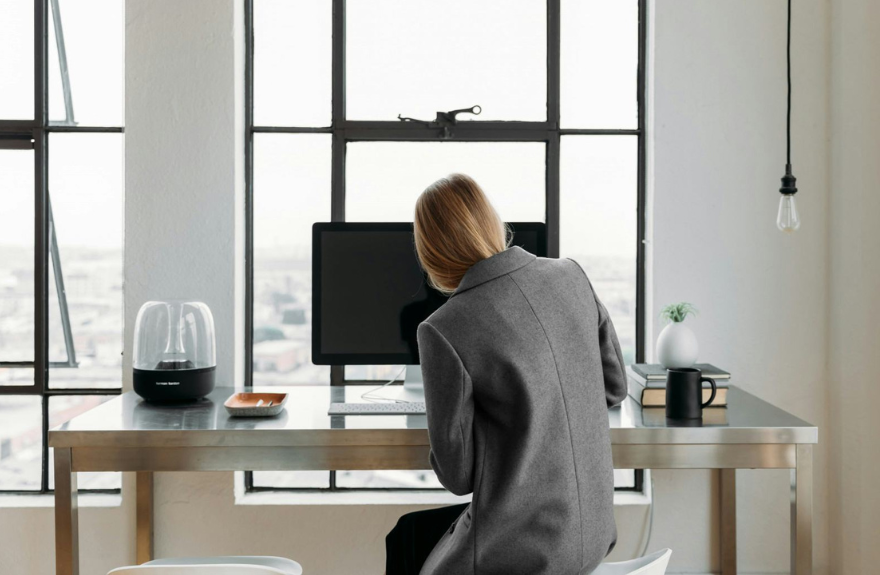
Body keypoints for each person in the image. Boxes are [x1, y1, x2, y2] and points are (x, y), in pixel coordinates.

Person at [384, 173, 628, 575]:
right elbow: (614, 388)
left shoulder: (443, 328)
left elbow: (458, 476)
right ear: (491, 221)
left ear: (430, 250)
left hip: (520, 554)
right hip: (592, 536)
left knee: (411, 551)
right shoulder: (571, 274)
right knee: (408, 534)